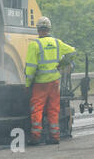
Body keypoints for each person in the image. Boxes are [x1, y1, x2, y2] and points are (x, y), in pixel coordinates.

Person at [25, 16, 76, 145]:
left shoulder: (34, 45)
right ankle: (55, 136)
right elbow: (72, 51)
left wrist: (27, 84)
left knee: (37, 108)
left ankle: (36, 137)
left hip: (41, 83)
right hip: (54, 82)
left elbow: (30, 68)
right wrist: (62, 64)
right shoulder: (57, 42)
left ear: (38, 30)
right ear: (49, 29)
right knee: (53, 108)